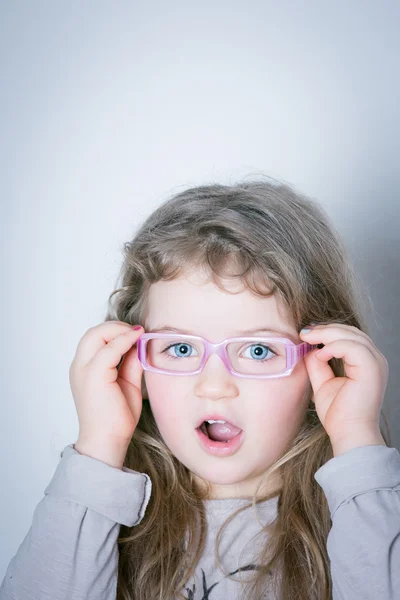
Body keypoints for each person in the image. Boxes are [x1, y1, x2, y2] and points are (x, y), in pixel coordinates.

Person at [1, 178, 399, 600]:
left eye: (259, 350)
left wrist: (357, 438)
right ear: (135, 364)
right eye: (180, 347)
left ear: (324, 361)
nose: (214, 386)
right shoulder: (99, 516)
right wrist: (100, 447)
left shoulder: (356, 517)